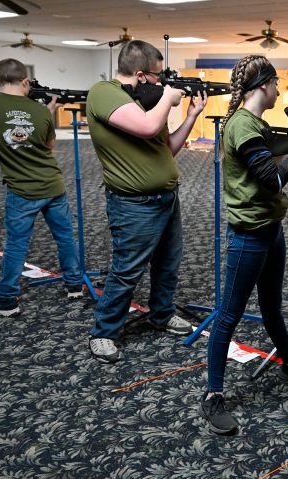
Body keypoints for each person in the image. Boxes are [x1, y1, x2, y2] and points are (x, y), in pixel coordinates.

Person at [199, 55, 288, 436]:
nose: (279, 89)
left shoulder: (254, 123)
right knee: (229, 314)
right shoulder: (242, 125)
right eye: (276, 83)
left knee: (271, 307)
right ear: (263, 86)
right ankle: (212, 394)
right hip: (249, 236)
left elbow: (266, 154)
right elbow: (272, 179)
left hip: (270, 230)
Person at [85, 40, 207, 363]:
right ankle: (103, 332)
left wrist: (192, 116)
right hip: (133, 204)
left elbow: (166, 147)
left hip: (167, 198)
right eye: (157, 77)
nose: (161, 82)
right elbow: (146, 127)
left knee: (168, 263)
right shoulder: (103, 93)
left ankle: (161, 313)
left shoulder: (148, 100)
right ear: (139, 74)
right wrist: (169, 97)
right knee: (127, 269)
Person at [0, 58, 84, 317]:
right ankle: (74, 285)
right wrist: (46, 112)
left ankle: (6, 298)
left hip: (21, 190)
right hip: (52, 184)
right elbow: (48, 145)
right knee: (65, 237)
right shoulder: (41, 110)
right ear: (25, 81)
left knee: (16, 245)